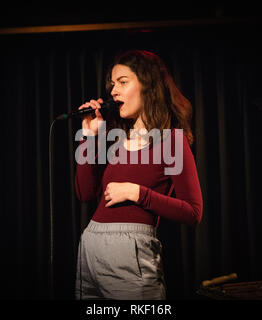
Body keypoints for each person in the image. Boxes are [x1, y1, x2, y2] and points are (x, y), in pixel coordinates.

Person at [74, 50, 203, 300]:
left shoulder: (171, 140)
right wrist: (89, 137)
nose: (113, 91)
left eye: (123, 82)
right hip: (89, 249)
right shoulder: (115, 137)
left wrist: (138, 193)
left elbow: (193, 212)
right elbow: (85, 192)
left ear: (148, 85)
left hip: (129, 254)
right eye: (112, 84)